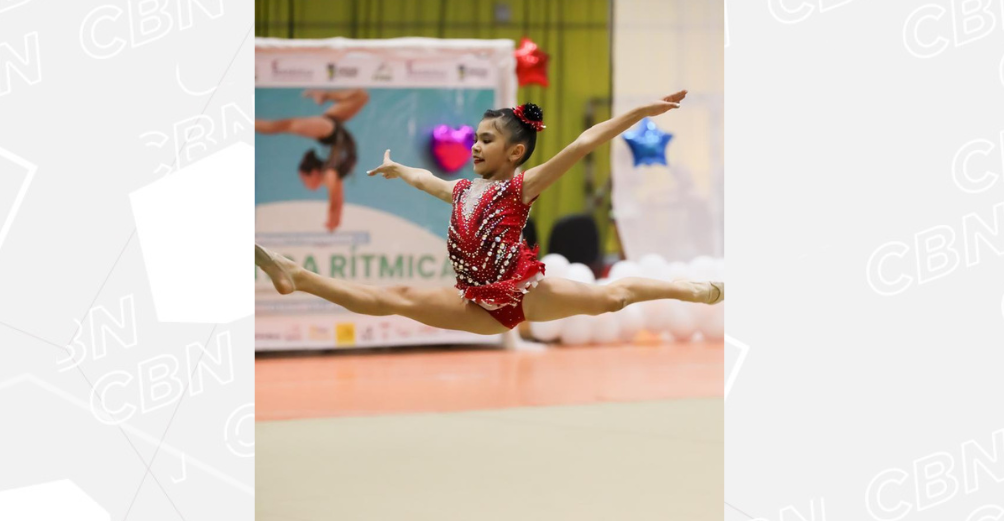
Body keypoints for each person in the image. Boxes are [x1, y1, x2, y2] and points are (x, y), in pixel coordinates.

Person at [255, 90, 723, 336]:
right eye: (475, 139)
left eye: (487, 140)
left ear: (516, 151)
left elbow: (583, 143)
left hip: (525, 293)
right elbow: (426, 179)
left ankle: (692, 290)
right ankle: (299, 276)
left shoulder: (521, 188)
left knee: (614, 298)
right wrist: (399, 168)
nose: (475, 147)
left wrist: (638, 112)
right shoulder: (461, 190)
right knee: (390, 297)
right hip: (476, 303)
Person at [255, 88, 368, 232]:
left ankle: (325, 94)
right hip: (330, 131)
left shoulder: (331, 174)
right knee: (282, 126)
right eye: (303, 180)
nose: (306, 185)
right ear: (313, 173)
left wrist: (333, 221)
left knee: (361, 96)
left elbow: (337, 202)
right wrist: (333, 221)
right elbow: (336, 202)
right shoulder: (331, 174)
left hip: (332, 130)